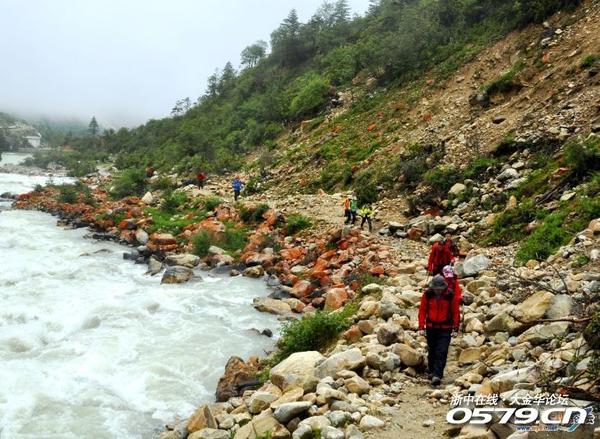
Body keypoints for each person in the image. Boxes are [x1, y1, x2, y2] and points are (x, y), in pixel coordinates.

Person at [418, 275, 461, 386]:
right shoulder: (428, 294)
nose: (438, 290)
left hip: (445, 328)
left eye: (440, 289)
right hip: (431, 327)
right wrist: (421, 327)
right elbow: (422, 310)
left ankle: (437, 375)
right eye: (436, 288)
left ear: (444, 287)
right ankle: (432, 370)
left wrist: (456, 328)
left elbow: (455, 312)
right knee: (432, 350)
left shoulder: (450, 295)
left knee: (442, 351)